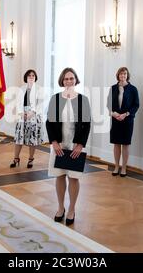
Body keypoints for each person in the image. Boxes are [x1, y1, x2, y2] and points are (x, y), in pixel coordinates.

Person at [46, 68, 91, 226]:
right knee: (59, 176)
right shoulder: (55, 99)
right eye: (66, 79)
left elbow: (86, 125)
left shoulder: (83, 100)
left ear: (76, 80)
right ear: (62, 81)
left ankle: (71, 209)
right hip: (59, 143)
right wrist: (54, 142)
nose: (69, 81)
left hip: (75, 144)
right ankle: (60, 208)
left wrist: (80, 145)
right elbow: (49, 122)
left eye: (72, 78)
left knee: (73, 177)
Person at [107, 67, 140, 177]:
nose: (123, 76)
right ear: (118, 75)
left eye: (125, 74)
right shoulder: (112, 88)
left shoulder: (133, 89)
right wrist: (114, 113)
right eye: (121, 74)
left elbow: (136, 105)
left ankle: (124, 168)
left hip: (127, 120)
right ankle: (116, 166)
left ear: (127, 75)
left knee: (125, 144)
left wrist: (126, 114)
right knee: (116, 143)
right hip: (116, 119)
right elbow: (108, 104)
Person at [10, 70, 44, 168]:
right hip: (22, 115)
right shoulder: (22, 88)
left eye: (33, 75)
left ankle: (31, 159)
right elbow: (18, 103)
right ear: (26, 77)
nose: (31, 77)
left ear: (35, 77)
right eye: (29, 75)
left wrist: (32, 113)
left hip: (34, 116)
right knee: (19, 138)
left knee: (32, 139)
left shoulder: (39, 89)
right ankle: (16, 158)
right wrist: (21, 113)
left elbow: (40, 104)